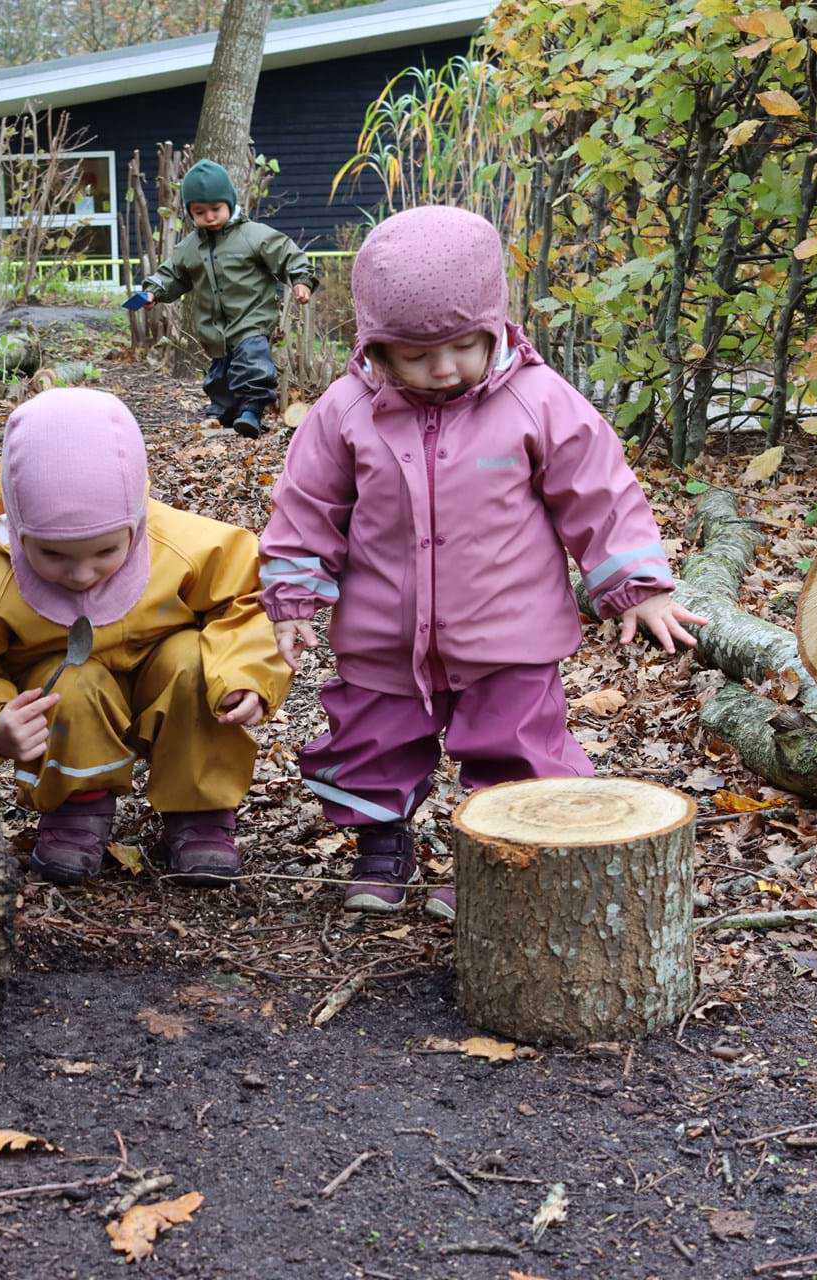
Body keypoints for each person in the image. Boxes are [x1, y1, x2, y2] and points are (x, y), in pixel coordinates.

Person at [258, 205, 707, 919]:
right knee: (371, 743)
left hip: (509, 636)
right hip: (384, 634)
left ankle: (498, 861)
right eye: (414, 354)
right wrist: (293, 598)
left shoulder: (536, 401)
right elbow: (307, 507)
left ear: (494, 325)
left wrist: (637, 586)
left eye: (464, 346)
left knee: (518, 753)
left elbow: (600, 493)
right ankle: (381, 841)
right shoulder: (347, 412)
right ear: (375, 347)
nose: (443, 369)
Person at [0, 388, 291, 886]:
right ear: (18, 530)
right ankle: (77, 806)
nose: (81, 574)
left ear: (136, 524)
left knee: (196, 662)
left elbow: (249, 599)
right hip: (71, 705)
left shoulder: (185, 547)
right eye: (53, 556)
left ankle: (200, 811)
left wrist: (246, 674)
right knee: (69, 681)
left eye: (105, 552)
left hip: (164, 685)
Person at [135, 160, 316, 438]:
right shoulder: (189, 247)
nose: (209, 217)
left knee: (253, 365)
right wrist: (153, 291)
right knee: (220, 374)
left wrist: (301, 279)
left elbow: (288, 254)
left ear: (230, 203)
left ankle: (252, 410)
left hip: (250, 320)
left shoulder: (253, 235)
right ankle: (225, 410)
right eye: (199, 212)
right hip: (214, 329)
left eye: (216, 209)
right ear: (189, 212)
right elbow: (172, 274)